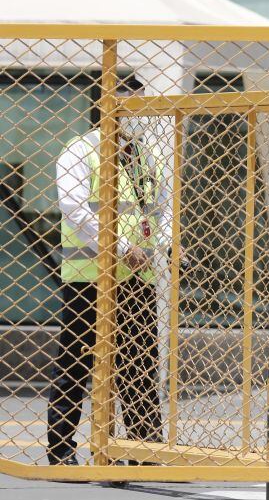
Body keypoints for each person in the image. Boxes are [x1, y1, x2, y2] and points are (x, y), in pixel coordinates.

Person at [49, 77, 168, 465]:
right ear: (106, 106)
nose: (137, 115)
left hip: (138, 277)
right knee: (78, 362)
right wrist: (121, 246)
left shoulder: (146, 156)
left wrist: (161, 245)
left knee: (139, 362)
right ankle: (62, 449)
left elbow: (162, 208)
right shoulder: (81, 151)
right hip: (91, 276)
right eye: (129, 107)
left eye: (141, 106)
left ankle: (145, 448)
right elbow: (75, 208)